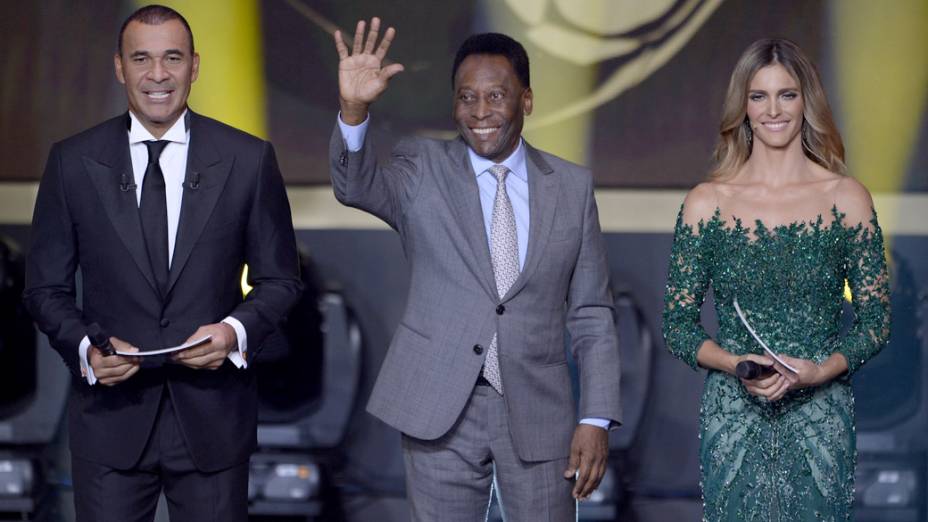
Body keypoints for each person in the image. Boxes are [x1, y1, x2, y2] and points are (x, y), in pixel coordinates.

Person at [329, 18, 622, 520]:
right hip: (439, 405)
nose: (480, 112)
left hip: (538, 409)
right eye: (467, 98)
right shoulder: (421, 166)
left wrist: (595, 417)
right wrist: (355, 109)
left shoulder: (571, 188)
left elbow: (592, 313)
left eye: (496, 96)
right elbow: (355, 186)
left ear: (526, 100)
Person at [23, 5, 301, 521]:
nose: (157, 75)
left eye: (172, 58)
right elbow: (44, 288)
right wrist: (87, 349)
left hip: (214, 423)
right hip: (111, 423)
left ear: (194, 66)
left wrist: (234, 333)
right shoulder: (72, 162)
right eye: (142, 59)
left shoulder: (247, 158)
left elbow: (280, 279)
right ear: (119, 67)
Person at [662, 38, 891, 521]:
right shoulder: (708, 202)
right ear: (742, 107)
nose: (773, 110)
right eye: (758, 96)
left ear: (806, 100)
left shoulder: (846, 198)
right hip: (733, 413)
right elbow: (677, 326)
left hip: (820, 415)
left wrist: (820, 371)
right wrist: (734, 364)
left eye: (786, 94)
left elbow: (876, 322)